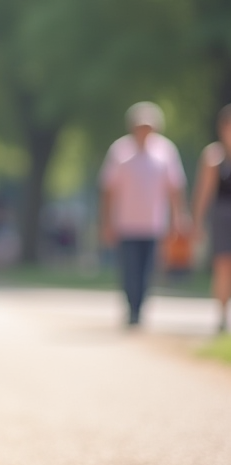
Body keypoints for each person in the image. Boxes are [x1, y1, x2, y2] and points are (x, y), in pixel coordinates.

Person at [99, 101, 190, 329]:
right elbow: (109, 190)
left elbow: (175, 188)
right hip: (126, 223)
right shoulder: (120, 151)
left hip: (154, 223)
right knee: (129, 270)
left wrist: (178, 217)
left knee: (148, 271)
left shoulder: (166, 151)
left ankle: (140, 310)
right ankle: (131, 308)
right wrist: (106, 222)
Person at [191, 103, 231, 333]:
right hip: (222, 216)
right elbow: (203, 192)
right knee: (223, 267)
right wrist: (197, 222)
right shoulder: (213, 157)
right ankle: (222, 316)